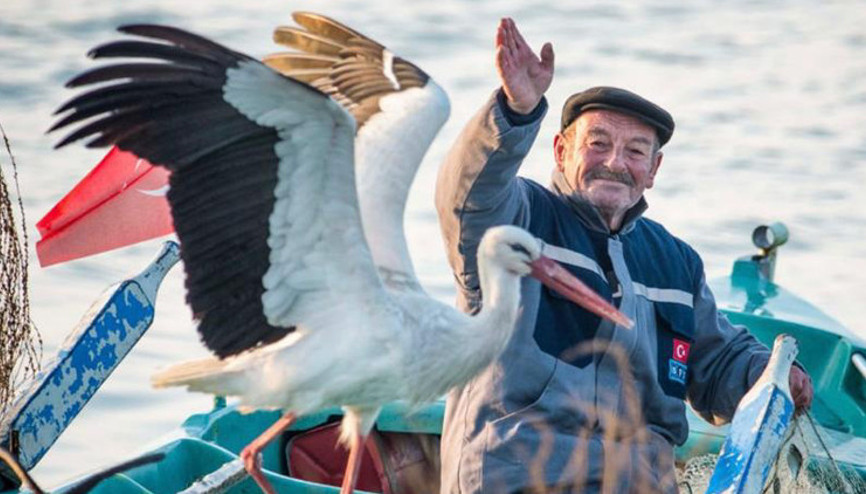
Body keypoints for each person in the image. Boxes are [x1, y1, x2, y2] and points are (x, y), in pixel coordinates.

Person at [434, 17, 813, 494]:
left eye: (635, 151)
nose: (615, 162)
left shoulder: (676, 262)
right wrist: (514, 111)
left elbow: (717, 364)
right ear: (560, 149)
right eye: (598, 143)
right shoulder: (517, 219)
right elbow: (467, 195)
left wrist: (770, 375)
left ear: (653, 170)